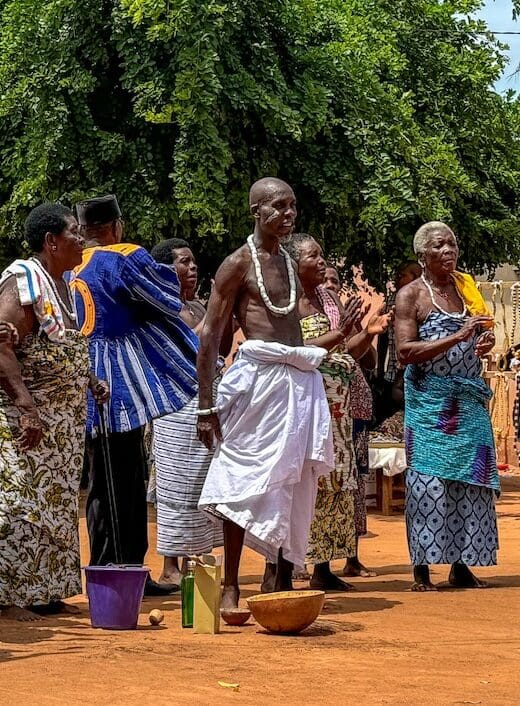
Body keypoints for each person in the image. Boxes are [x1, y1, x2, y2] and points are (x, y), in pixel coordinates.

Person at [197, 177, 334, 611]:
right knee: (241, 483)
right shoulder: (237, 263)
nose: (289, 214)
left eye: (293, 205)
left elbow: (295, 325)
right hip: (258, 382)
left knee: (291, 481)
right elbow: (210, 335)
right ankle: (232, 584)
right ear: (256, 211)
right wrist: (206, 406)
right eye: (278, 206)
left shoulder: (291, 263)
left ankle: (280, 573)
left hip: (297, 381)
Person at [71, 195, 198, 596]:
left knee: (99, 481)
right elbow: (166, 297)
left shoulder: (68, 267)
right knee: (125, 478)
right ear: (116, 226)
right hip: (117, 384)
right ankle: (125, 572)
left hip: (80, 379)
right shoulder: (122, 257)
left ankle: (105, 571)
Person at [0, 203, 108, 621]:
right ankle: (9, 600)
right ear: (51, 242)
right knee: (22, 504)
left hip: (62, 429)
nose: (81, 239)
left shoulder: (63, 285)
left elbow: (59, 350)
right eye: (73, 233)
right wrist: (27, 408)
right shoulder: (23, 282)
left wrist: (88, 380)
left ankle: (45, 591)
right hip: (28, 423)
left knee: (56, 508)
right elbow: (3, 347)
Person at [395, 221, 498, 591]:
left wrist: (484, 341)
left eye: (452, 243)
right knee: (428, 482)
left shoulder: (466, 288)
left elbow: (483, 330)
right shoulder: (411, 296)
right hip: (430, 405)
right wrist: (458, 335)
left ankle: (461, 564)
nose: (448, 250)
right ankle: (422, 569)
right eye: (439, 245)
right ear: (422, 255)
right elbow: (406, 352)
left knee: (471, 482)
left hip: (468, 402)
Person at [286, 234, 391, 590]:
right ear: (293, 262)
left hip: (340, 411)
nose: (321, 261)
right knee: (308, 484)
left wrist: (367, 334)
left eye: (321, 254)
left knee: (337, 484)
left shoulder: (329, 300)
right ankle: (294, 563)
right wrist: (341, 333)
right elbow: (295, 352)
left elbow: (347, 350)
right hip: (306, 407)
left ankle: (324, 568)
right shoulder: (285, 306)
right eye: (313, 256)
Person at [150, 238, 229, 586]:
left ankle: (196, 559)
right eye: (184, 262)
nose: (192, 268)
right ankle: (170, 566)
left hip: (205, 399)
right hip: (174, 407)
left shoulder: (197, 306)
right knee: (175, 488)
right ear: (166, 269)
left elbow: (217, 345)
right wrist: (214, 316)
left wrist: (220, 318)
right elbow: (185, 348)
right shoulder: (159, 308)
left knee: (202, 485)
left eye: (194, 261)